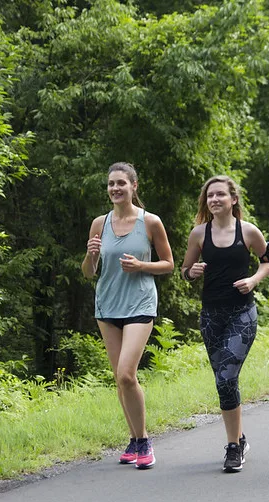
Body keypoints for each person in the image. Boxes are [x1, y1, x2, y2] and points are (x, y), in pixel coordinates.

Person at [180, 176, 269, 473]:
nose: (215, 200)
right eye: (210, 196)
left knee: (225, 378)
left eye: (220, 194)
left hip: (242, 314)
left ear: (233, 199)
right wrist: (192, 272)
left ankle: (233, 447)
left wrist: (253, 280)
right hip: (211, 316)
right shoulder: (199, 233)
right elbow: (184, 271)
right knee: (224, 382)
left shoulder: (248, 231)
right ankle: (240, 438)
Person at [82, 162, 174, 470]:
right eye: (111, 184)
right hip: (107, 306)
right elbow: (89, 272)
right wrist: (91, 255)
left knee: (126, 374)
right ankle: (134, 440)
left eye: (121, 183)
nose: (115, 188)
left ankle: (144, 440)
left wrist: (141, 266)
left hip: (139, 304)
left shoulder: (150, 222)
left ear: (134, 186)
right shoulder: (99, 223)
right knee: (119, 379)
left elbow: (169, 264)